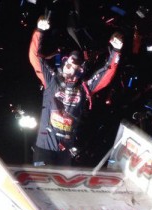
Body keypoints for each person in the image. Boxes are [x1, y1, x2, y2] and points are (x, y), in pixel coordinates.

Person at [29, 15, 124, 166]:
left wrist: (116, 51)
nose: (69, 63)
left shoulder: (84, 87)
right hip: (45, 148)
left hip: (65, 151)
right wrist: (39, 30)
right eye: (68, 60)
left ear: (80, 69)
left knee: (61, 187)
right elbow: (35, 57)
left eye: (75, 62)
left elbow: (106, 74)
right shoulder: (52, 79)